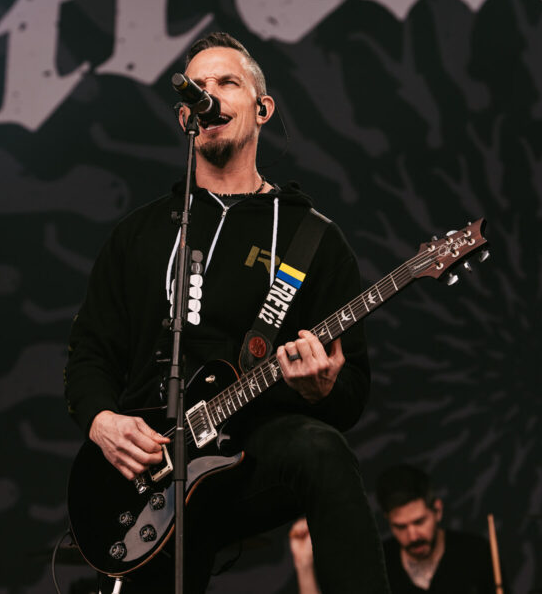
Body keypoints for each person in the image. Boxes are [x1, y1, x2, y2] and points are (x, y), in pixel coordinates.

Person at [64, 32, 389, 593]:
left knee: (321, 451)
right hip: (148, 473)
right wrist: (102, 422)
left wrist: (322, 389)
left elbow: (351, 386)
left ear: (262, 110)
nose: (208, 94)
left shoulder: (312, 239)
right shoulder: (137, 235)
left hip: (247, 453)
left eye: (226, 83)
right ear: (185, 116)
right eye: (198, 87)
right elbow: (89, 354)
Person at [289, 465, 496, 594]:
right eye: (401, 526)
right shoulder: (377, 564)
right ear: (388, 520)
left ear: (437, 511)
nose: (413, 535)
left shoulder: (475, 552)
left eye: (419, 522)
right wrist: (304, 564)